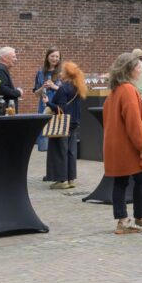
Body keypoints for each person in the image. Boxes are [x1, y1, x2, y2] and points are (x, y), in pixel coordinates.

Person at [102, 52, 142, 235]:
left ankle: (128, 218)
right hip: (128, 146)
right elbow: (134, 122)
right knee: (140, 177)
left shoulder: (116, 90)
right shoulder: (127, 90)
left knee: (122, 181)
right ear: (129, 69)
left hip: (117, 144)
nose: (140, 68)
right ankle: (135, 217)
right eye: (138, 66)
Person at [46, 61, 88, 189]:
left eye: (63, 71)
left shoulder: (64, 88)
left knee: (60, 150)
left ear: (67, 73)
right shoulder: (78, 86)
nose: (61, 73)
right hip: (75, 121)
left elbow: (61, 107)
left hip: (64, 122)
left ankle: (61, 180)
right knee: (71, 151)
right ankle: (71, 179)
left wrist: (48, 103)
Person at [34, 47, 61, 153]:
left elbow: (68, 92)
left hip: (58, 106)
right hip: (43, 107)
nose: (55, 59)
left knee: (57, 131)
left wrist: (54, 86)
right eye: (52, 56)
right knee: (43, 131)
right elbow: (36, 94)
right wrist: (42, 88)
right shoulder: (40, 73)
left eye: (57, 56)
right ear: (47, 57)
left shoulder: (63, 73)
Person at [0, 46, 23, 113]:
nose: (16, 59)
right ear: (4, 58)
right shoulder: (0, 69)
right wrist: (18, 92)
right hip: (2, 113)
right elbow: (2, 89)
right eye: (13, 57)